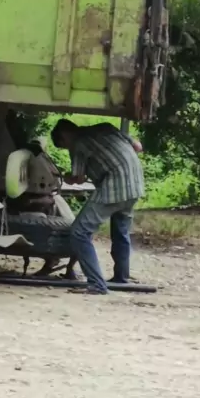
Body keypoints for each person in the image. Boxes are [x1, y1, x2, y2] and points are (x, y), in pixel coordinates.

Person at [51, 119, 144, 295]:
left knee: (79, 232)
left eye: (64, 145)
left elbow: (79, 179)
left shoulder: (78, 143)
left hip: (115, 184)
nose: (67, 148)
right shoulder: (105, 127)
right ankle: (121, 278)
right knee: (121, 230)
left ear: (64, 136)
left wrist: (67, 177)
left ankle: (96, 284)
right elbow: (138, 146)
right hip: (135, 183)